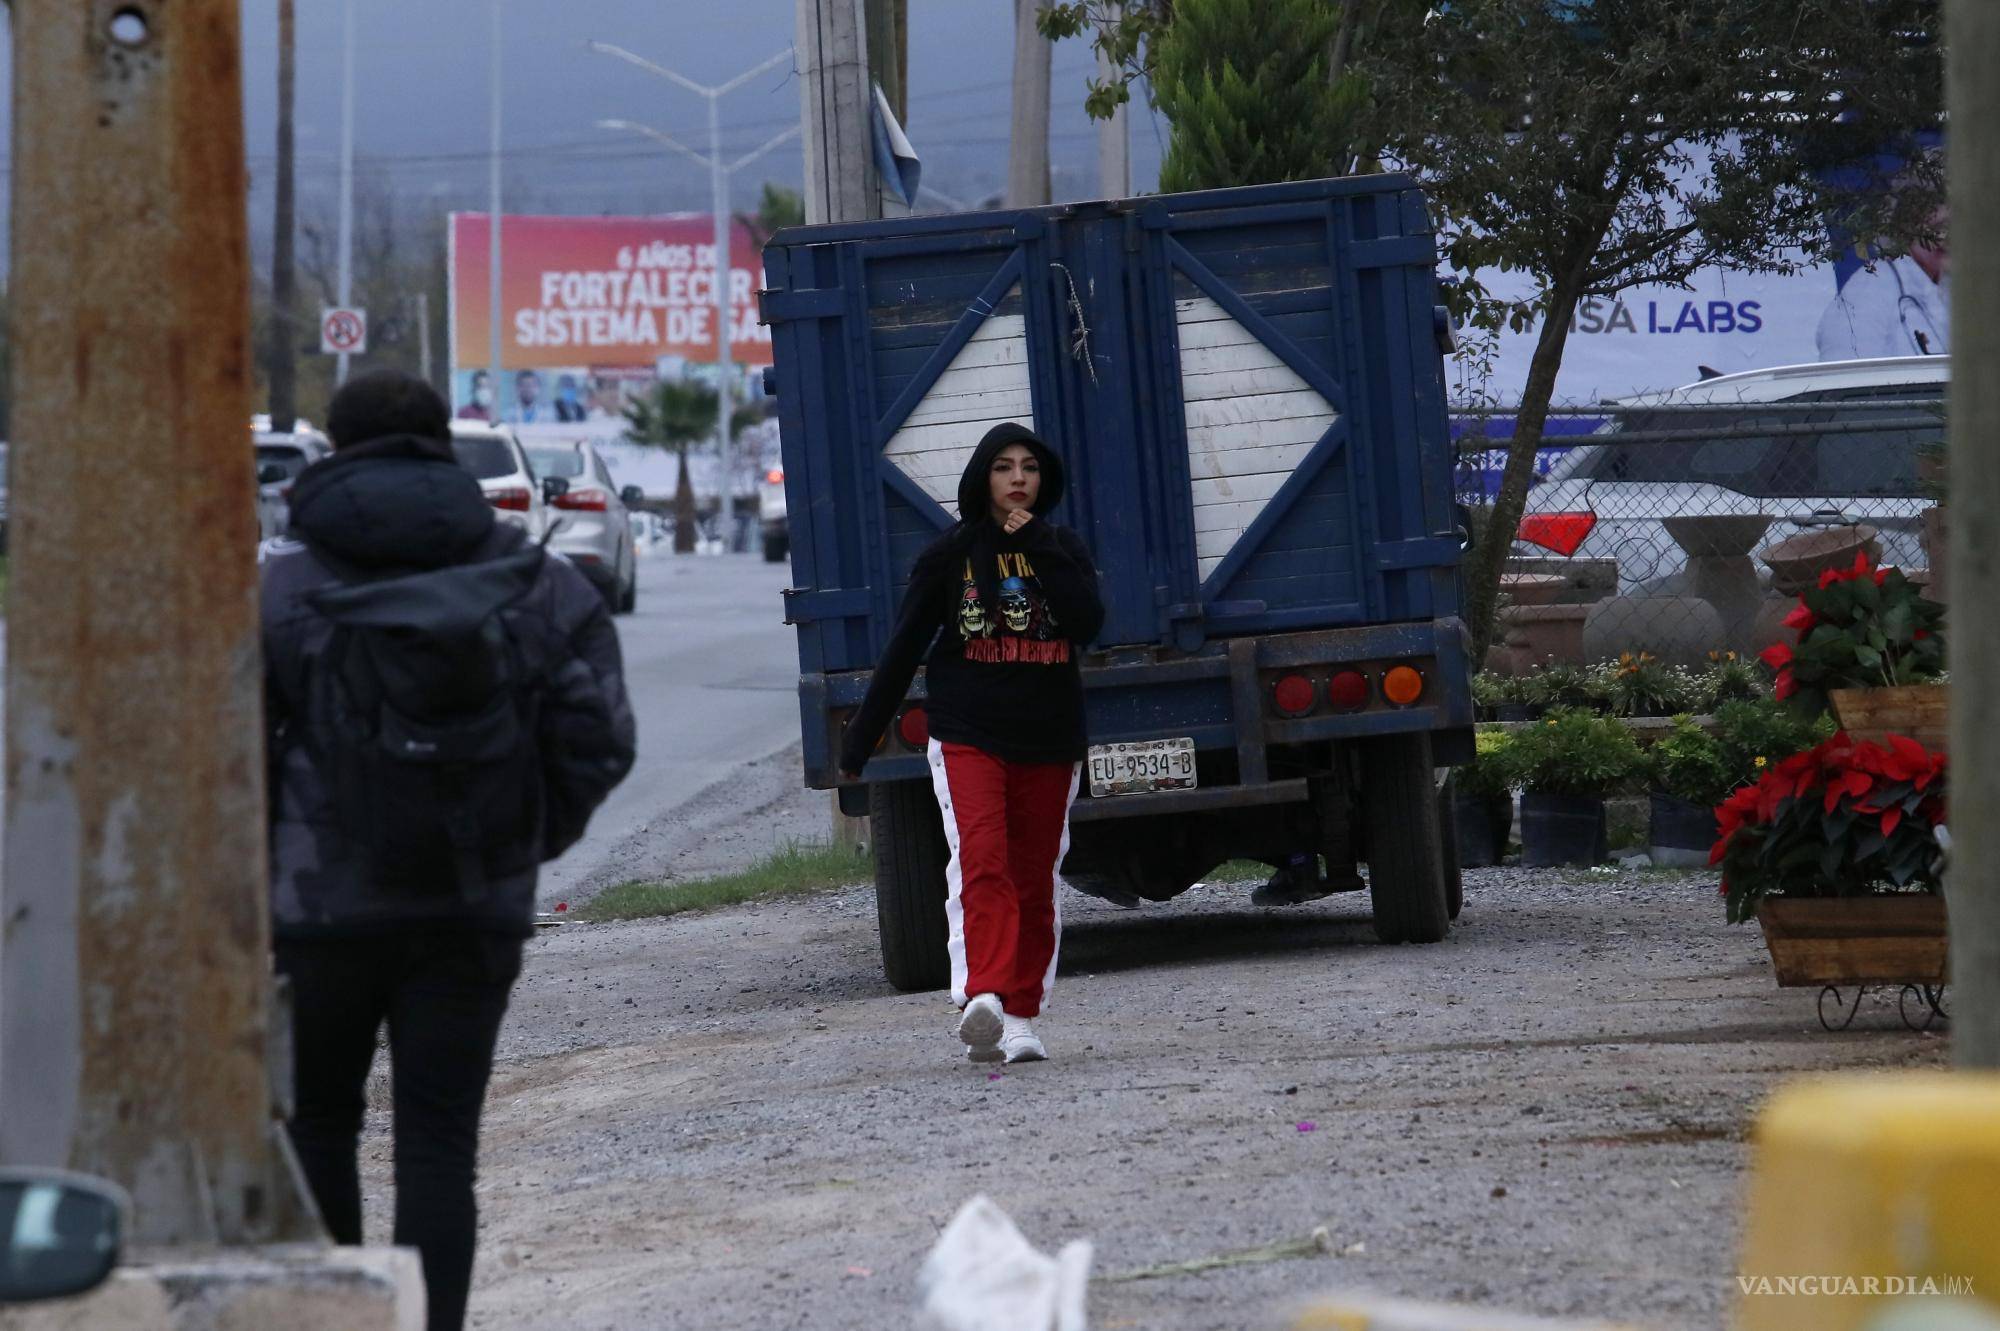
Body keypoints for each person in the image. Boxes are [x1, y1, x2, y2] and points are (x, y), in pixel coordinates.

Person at [261, 369, 635, 1331]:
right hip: (473, 906)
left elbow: (215, 755)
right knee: (437, 1143)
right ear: (444, 444)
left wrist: (267, 860)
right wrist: (520, 842)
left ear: (334, 447)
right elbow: (600, 737)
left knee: (317, 1126)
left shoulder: (279, 587)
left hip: (315, 913)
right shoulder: (537, 579)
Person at [839, 422, 1104, 1065]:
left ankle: (1021, 1018)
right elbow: (904, 646)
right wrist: (859, 741)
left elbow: (1087, 622)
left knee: (1034, 879)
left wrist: (1038, 545)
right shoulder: (950, 555)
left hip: (1049, 739)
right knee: (982, 860)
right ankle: (982, 994)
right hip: (968, 733)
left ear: (1043, 481)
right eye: (1004, 467)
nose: (1018, 478)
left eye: (1029, 468)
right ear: (983, 478)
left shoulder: (1061, 547)